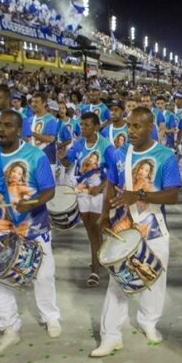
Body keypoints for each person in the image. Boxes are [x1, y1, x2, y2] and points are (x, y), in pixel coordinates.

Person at [92, 106, 181, 357]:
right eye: (129, 125)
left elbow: (173, 195)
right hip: (124, 229)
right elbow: (111, 183)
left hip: (153, 229)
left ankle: (148, 322)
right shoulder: (119, 153)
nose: (130, 130)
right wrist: (104, 213)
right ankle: (110, 335)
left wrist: (139, 194)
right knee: (117, 282)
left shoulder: (165, 156)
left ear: (149, 127)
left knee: (154, 280)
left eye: (136, 126)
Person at [0, 110, 61, 355]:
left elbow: (48, 191)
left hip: (34, 227)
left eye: (8, 125)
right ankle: (9, 327)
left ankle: (51, 316)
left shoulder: (36, 156)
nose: (2, 129)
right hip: (0, 227)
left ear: (19, 129)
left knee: (43, 275)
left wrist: (32, 203)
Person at [59, 112, 113, 287]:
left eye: (87, 125)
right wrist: (62, 157)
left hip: (99, 190)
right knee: (90, 228)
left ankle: (95, 269)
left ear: (96, 127)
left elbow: (114, 172)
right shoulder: (79, 143)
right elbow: (69, 162)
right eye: (81, 125)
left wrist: (102, 186)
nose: (82, 128)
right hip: (82, 189)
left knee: (96, 227)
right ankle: (99, 256)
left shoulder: (106, 146)